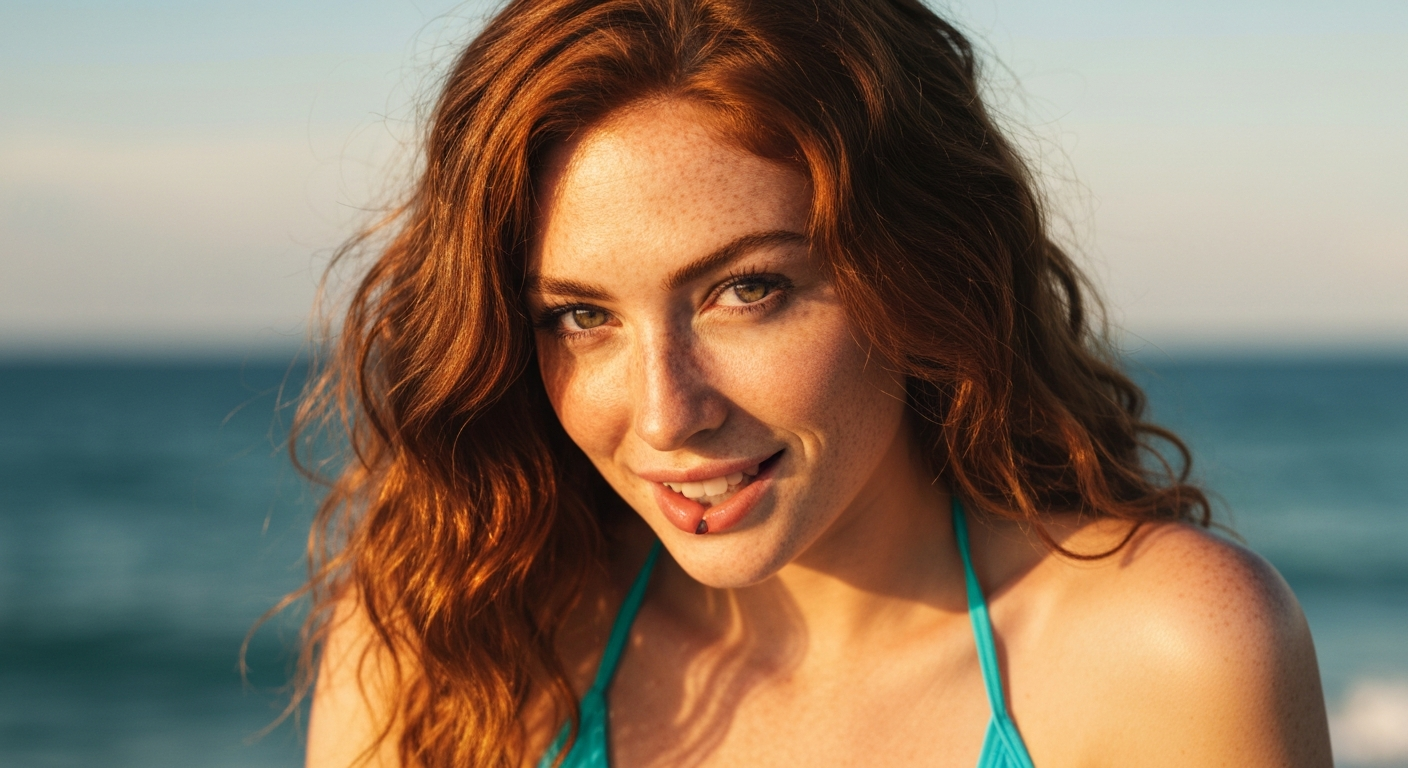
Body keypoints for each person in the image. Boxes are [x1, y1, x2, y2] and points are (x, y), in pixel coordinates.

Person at [293, 0, 1333, 765]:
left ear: (923, 269)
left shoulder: (1168, 649)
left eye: (747, 290)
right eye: (581, 315)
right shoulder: (453, 638)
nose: (665, 412)